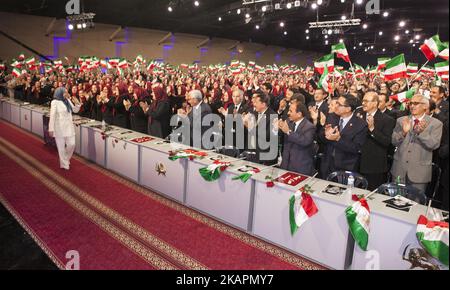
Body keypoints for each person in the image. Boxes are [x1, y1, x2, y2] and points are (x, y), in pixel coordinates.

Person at [391, 94, 443, 193]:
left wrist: (420, 134)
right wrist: (403, 133)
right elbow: (394, 141)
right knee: (394, 203)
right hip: (399, 170)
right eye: (411, 103)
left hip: (419, 173)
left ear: (425, 106)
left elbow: (434, 145)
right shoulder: (401, 120)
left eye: (416, 103)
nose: (412, 106)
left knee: (415, 205)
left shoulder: (436, 124)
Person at [319, 94, 368, 178]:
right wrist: (325, 134)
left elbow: (356, 148)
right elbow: (320, 137)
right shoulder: (332, 117)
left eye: (339, 104)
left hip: (345, 168)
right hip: (327, 164)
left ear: (348, 109)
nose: (336, 106)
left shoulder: (360, 125)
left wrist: (338, 139)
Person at [359, 92, 396, 190]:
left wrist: (372, 129)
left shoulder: (387, 120)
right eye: (363, 100)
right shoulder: (358, 114)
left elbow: (387, 142)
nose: (363, 103)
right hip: (356, 162)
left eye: (366, 101)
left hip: (374, 166)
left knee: (371, 197)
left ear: (375, 103)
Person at [277, 102, 316, 176]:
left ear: (299, 114)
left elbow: (305, 141)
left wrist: (288, 132)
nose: (288, 113)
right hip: (285, 165)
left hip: (300, 167)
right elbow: (282, 136)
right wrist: (278, 128)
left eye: (291, 111)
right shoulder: (288, 122)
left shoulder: (309, 127)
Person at [48, 87, 81, 170]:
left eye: (67, 92)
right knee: (61, 147)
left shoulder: (67, 100)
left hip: (69, 127)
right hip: (59, 128)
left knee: (72, 144)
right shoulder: (54, 102)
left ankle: (65, 159)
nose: (66, 94)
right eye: (64, 92)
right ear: (59, 93)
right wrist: (51, 128)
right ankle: (64, 164)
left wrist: (77, 104)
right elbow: (52, 116)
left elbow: (75, 110)